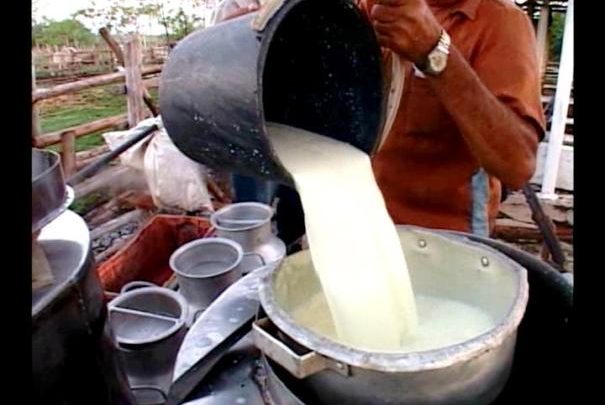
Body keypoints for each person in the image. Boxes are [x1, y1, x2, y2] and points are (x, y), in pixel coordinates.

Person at [213, 0, 544, 238]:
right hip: (358, 221)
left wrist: (434, 52)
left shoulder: (499, 23)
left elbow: (517, 164)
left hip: (447, 241)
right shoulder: (370, 9)